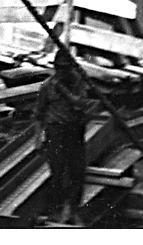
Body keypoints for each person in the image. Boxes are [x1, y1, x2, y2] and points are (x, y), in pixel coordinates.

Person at [35, 52, 101, 225]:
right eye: (59, 68)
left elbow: (80, 103)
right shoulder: (47, 86)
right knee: (57, 172)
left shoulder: (79, 83)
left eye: (65, 68)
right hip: (55, 131)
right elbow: (39, 114)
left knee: (76, 171)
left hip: (74, 130)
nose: (62, 72)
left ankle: (73, 210)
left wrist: (65, 91)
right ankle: (54, 210)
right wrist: (37, 138)